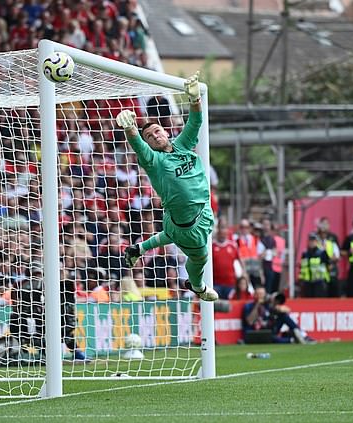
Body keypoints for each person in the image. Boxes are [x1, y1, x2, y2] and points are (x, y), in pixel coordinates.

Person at [116, 71, 218, 302]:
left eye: (157, 131)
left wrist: (194, 100)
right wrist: (130, 128)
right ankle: (198, 286)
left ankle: (138, 249)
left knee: (171, 235)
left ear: (165, 131)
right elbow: (138, 146)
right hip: (187, 223)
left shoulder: (183, 145)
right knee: (201, 258)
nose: (154, 136)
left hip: (201, 212)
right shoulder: (154, 161)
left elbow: (196, 122)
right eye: (149, 136)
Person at [243, 286, 311, 344]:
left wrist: (276, 307)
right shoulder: (249, 306)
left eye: (262, 294)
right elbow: (250, 321)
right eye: (259, 294)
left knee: (283, 316)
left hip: (270, 329)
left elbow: (287, 310)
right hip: (257, 333)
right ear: (254, 295)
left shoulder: (268, 305)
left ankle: (303, 335)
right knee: (271, 338)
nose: (261, 296)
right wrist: (258, 305)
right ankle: (292, 340)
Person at [298, 232, 330, 297]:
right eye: (310, 240)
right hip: (307, 282)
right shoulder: (305, 253)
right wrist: (301, 280)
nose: (311, 242)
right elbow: (302, 267)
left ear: (317, 241)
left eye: (313, 240)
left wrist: (325, 280)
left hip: (319, 282)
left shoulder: (322, 253)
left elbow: (328, 266)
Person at [315, 217, 341, 297]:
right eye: (322, 224)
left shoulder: (333, 238)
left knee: (333, 290)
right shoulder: (315, 237)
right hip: (319, 270)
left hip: (331, 267)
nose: (324, 227)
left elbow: (337, 255)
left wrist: (332, 260)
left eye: (326, 224)